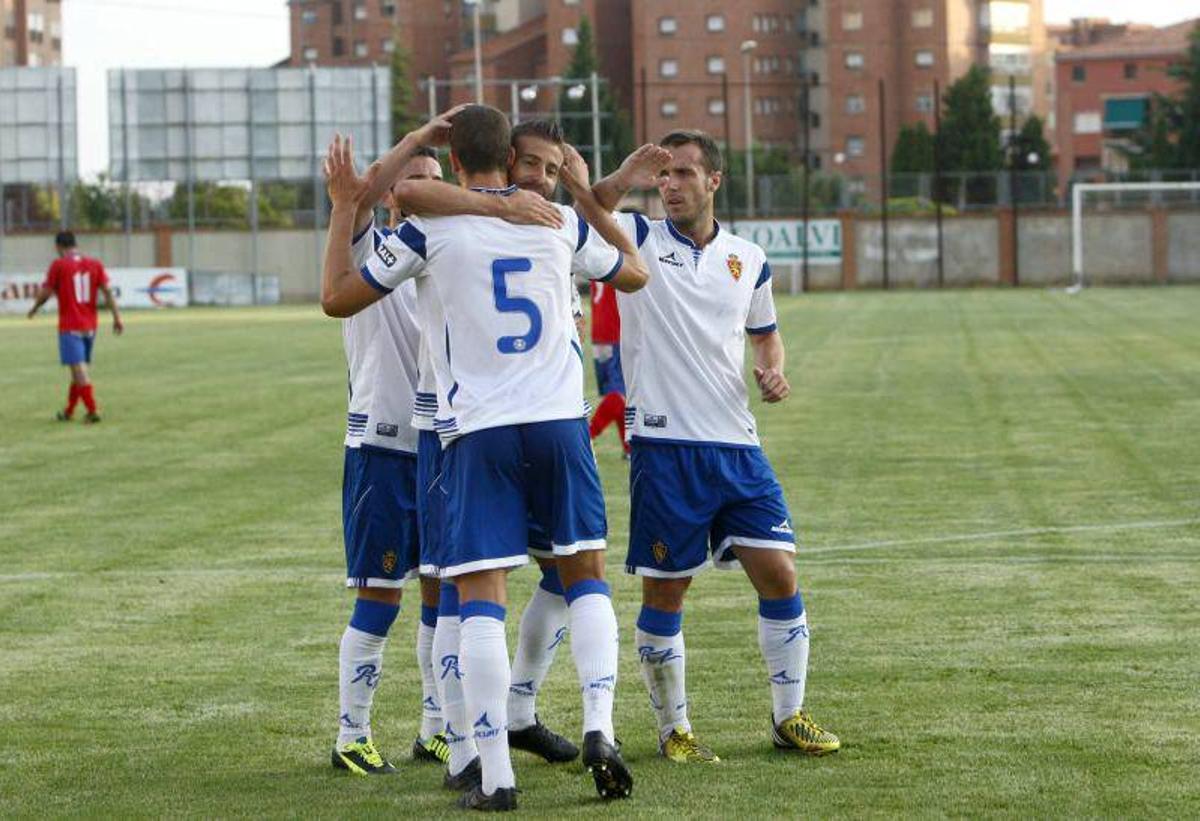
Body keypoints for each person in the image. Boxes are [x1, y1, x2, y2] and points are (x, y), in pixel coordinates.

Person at [321, 104, 648, 811]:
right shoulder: (557, 222)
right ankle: (601, 724)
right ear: (513, 157)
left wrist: (355, 197)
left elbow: (337, 296)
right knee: (584, 572)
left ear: (458, 158)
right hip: (561, 423)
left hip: (474, 431)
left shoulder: (429, 227)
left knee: (475, 594)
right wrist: (586, 195)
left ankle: (493, 772)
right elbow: (635, 274)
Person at [588, 132, 841, 763]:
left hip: (736, 444)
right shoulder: (638, 239)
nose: (670, 185)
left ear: (714, 182)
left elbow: (765, 334)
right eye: (664, 175)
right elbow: (588, 209)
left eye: (682, 174)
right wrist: (626, 173)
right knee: (667, 592)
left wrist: (773, 369)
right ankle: (675, 729)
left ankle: (789, 717)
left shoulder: (748, 258)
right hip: (665, 447)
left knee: (779, 572)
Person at [329, 146, 455, 777]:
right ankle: (352, 734)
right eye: (414, 179)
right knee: (380, 596)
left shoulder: (448, 251)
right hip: (381, 447)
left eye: (438, 178)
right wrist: (418, 135)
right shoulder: (367, 248)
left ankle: (435, 728)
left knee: (442, 591)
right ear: (387, 194)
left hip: (440, 445)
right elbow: (353, 209)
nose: (429, 188)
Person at [26, 231, 123, 423]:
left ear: (59, 247)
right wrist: (117, 318)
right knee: (77, 370)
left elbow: (46, 292)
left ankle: (92, 410)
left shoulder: (59, 265)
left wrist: (35, 308)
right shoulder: (95, 264)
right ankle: (69, 411)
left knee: (78, 369)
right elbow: (108, 292)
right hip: (90, 326)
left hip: (70, 325)